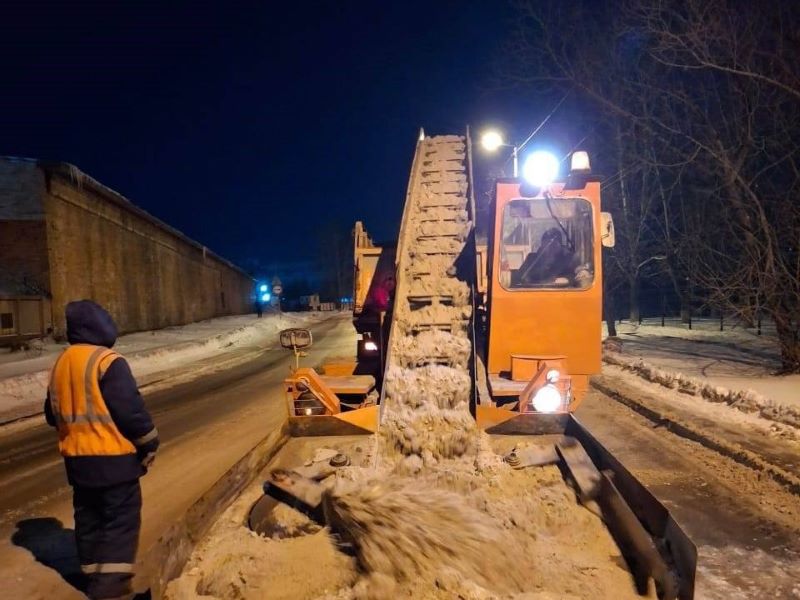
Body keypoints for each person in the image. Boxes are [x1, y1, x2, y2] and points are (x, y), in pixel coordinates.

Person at [44, 300, 159, 600]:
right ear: (102, 327)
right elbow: (130, 410)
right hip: (114, 460)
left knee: (89, 518)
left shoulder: (62, 363)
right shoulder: (108, 361)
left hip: (77, 463)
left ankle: (93, 574)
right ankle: (110, 588)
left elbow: (50, 414)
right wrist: (149, 441)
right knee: (120, 522)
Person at [517, 228, 585, 286]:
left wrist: (567, 279)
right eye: (546, 243)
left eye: (554, 244)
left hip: (562, 294)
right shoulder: (532, 258)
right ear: (542, 244)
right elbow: (520, 277)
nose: (550, 247)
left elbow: (577, 275)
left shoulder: (569, 259)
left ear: (560, 245)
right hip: (533, 294)